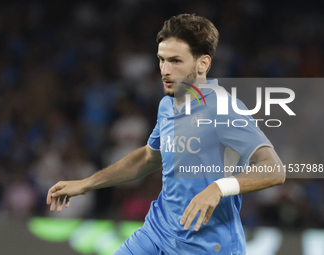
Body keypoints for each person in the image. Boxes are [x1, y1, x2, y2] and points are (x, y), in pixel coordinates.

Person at [47, 14, 285, 255]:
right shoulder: (167, 105)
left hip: (208, 246)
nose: (165, 70)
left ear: (203, 63)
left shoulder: (224, 107)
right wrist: (85, 184)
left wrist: (218, 188)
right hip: (157, 233)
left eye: (175, 61)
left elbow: (274, 169)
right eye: (161, 60)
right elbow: (148, 158)